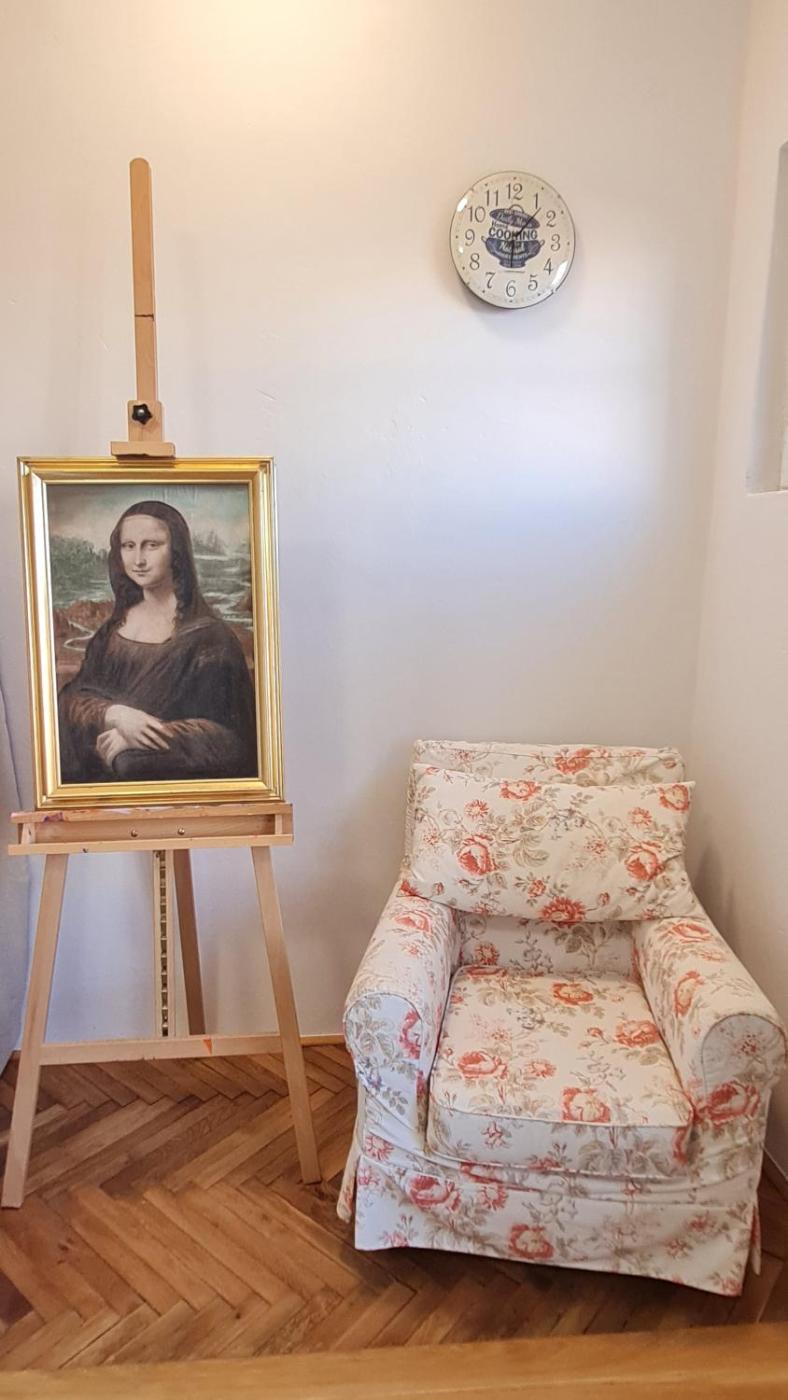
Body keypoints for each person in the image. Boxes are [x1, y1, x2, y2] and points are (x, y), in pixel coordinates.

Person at [58, 500, 257, 783]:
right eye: (128, 546)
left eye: (151, 545)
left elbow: (234, 741)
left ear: (176, 551)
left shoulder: (210, 639)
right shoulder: (111, 632)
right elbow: (70, 701)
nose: (138, 559)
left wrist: (149, 737)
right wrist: (115, 714)